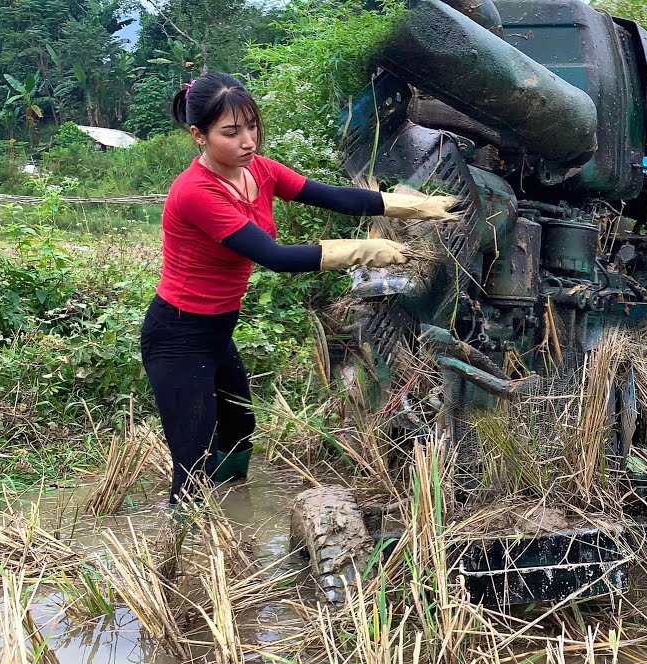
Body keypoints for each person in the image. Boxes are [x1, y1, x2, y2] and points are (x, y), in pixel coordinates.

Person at [142, 71, 456, 505]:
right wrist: (361, 250)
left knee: (238, 432)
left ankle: (236, 515)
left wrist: (411, 205)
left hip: (216, 332)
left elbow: (332, 196)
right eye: (231, 133)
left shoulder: (258, 171)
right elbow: (273, 255)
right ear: (199, 135)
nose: (248, 141)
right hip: (178, 336)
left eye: (252, 126)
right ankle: (186, 552)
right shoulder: (196, 192)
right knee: (192, 465)